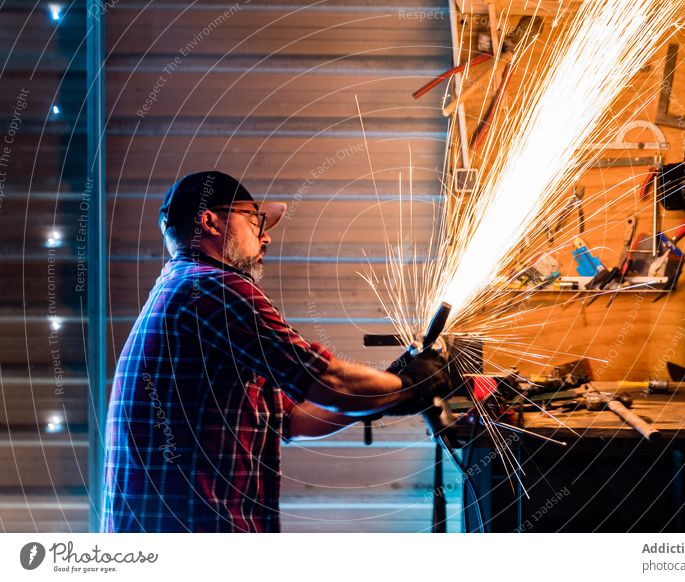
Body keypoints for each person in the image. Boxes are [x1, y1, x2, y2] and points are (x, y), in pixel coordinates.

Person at [101, 170, 450, 532]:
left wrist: (390, 392)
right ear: (210, 222)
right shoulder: (215, 289)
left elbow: (294, 418)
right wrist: (410, 383)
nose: (265, 237)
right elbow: (329, 382)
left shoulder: (181, 288)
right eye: (255, 222)